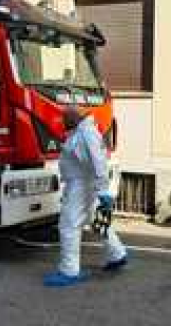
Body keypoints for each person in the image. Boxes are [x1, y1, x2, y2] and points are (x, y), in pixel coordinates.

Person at [43, 106, 128, 287]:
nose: (62, 122)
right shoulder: (82, 132)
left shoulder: (86, 133)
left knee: (68, 225)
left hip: (80, 185)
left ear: (74, 118)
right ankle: (117, 254)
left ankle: (69, 271)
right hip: (85, 184)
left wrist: (104, 190)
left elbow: (98, 162)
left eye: (65, 118)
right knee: (94, 220)